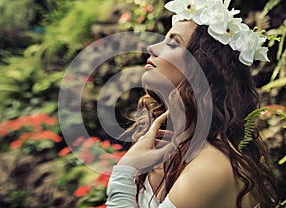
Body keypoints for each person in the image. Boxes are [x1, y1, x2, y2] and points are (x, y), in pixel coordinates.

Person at [106, 0, 279, 207]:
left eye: (173, 43)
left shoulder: (211, 166)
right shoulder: (165, 149)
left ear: (203, 68)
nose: (151, 48)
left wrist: (125, 171)